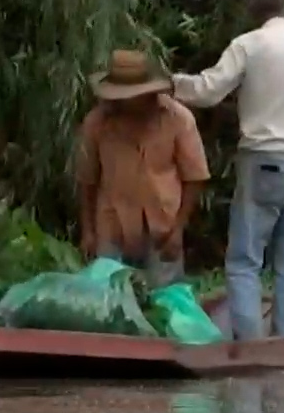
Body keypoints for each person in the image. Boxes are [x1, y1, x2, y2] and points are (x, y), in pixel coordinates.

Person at [171, 0, 284, 340]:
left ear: (254, 14)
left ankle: (249, 345)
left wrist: (171, 84)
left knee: (245, 260)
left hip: (264, 158)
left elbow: (208, 91)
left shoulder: (249, 45)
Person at [76, 50, 210, 288]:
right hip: (112, 223)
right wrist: (88, 231)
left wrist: (179, 228)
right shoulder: (97, 122)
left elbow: (195, 176)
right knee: (107, 298)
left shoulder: (177, 118)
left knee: (164, 301)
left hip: (162, 224)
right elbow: (87, 178)